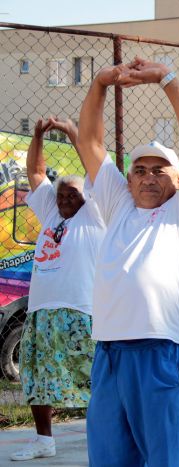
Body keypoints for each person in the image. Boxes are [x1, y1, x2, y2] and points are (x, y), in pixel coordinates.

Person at [76, 57, 179, 466]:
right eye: (140, 170)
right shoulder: (117, 204)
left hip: (160, 351)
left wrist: (165, 79)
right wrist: (99, 84)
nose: (149, 176)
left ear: (178, 180)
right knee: (111, 457)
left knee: (170, 458)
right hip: (111, 352)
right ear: (128, 180)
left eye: (160, 170)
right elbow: (89, 143)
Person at [12, 118, 105, 461]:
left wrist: (70, 132)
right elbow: (36, 173)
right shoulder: (51, 213)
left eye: (73, 195)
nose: (65, 199)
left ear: (86, 198)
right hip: (41, 310)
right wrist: (37, 135)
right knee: (36, 375)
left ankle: (108, 436)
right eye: (61, 194)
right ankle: (43, 441)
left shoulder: (94, 215)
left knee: (93, 380)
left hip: (79, 310)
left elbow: (94, 163)